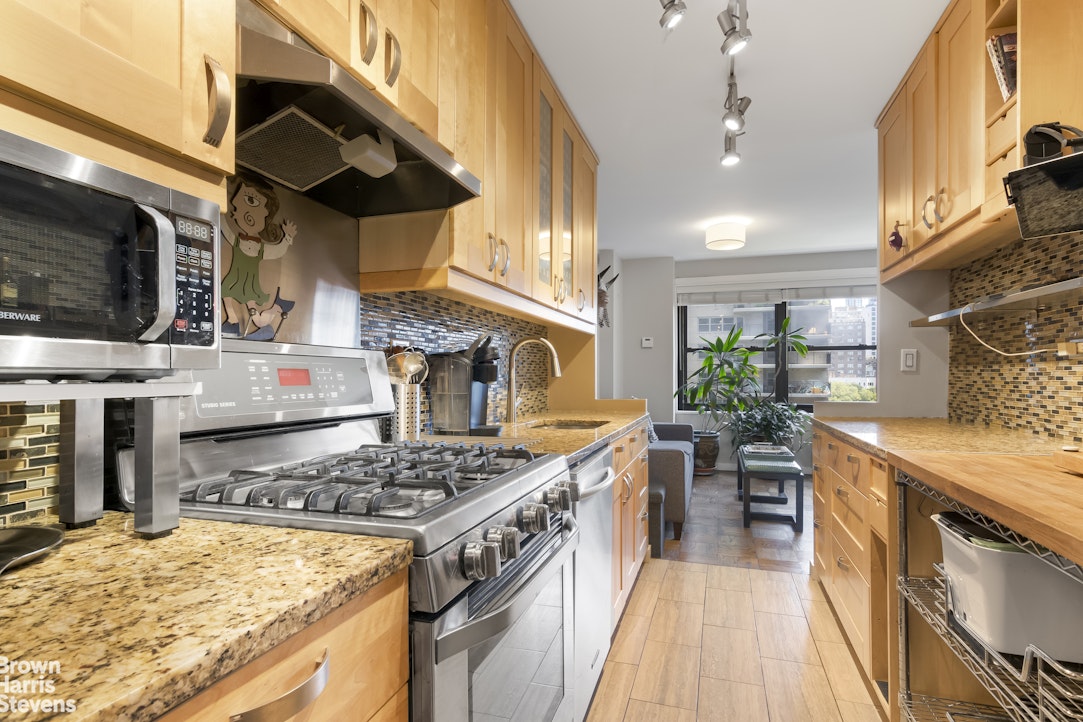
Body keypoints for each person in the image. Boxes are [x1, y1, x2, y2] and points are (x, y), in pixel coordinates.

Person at [220, 175, 296, 336]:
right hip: (235, 280)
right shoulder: (237, 240)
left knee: (256, 318)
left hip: (249, 285)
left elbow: (278, 251)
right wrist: (218, 208)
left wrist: (287, 237)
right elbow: (225, 228)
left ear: (266, 213)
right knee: (226, 295)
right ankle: (232, 322)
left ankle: (277, 308)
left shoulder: (260, 248)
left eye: (250, 201)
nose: (235, 205)